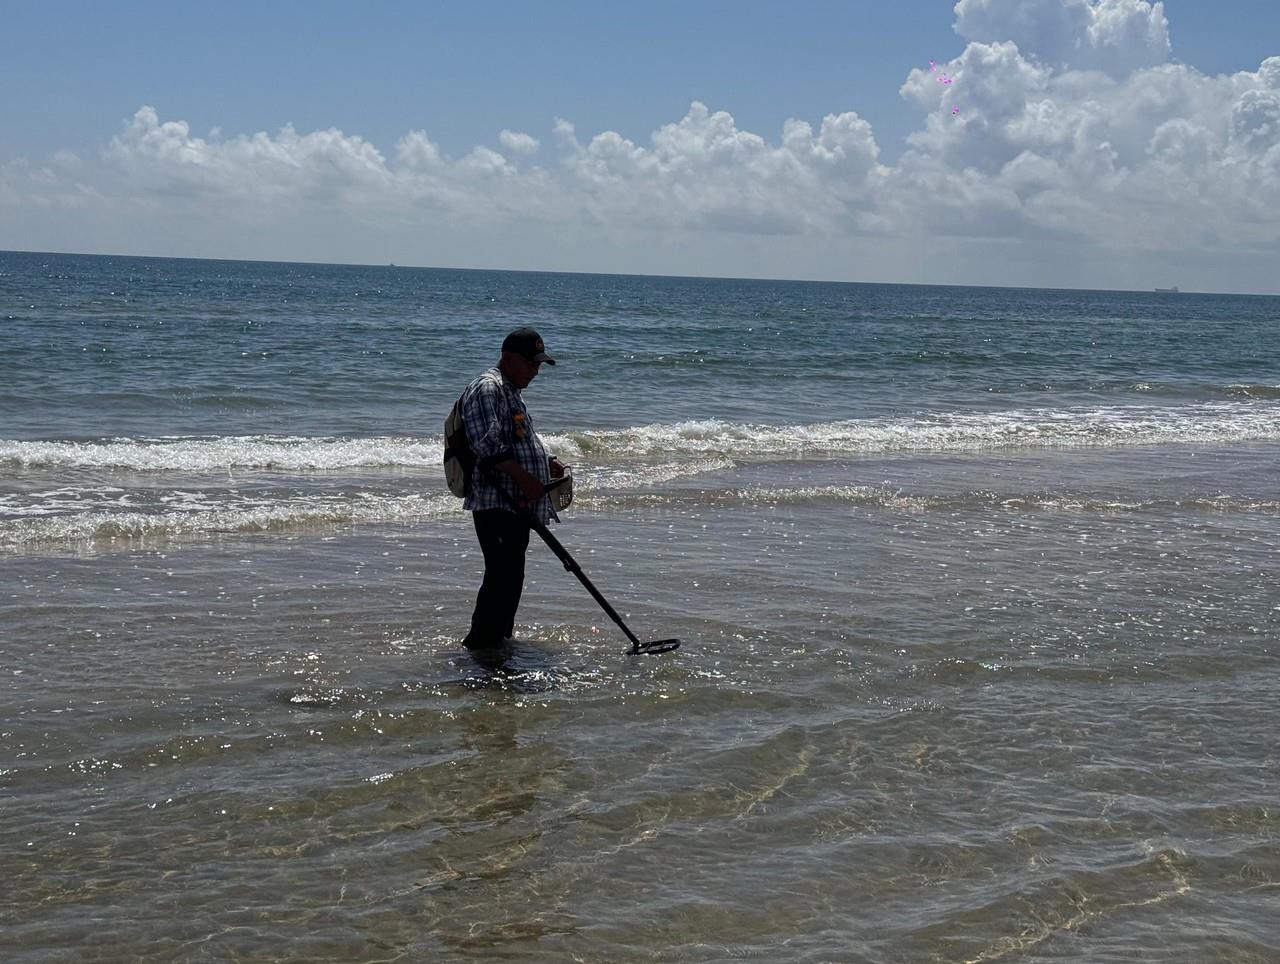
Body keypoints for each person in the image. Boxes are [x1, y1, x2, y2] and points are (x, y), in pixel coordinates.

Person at [459, 327, 568, 651]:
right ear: (508, 358)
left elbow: (520, 439)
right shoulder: (487, 388)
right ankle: (480, 648)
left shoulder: (511, 391)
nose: (535, 371)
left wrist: (547, 461)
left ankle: (499, 645)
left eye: (538, 365)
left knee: (511, 576)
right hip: (497, 502)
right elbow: (486, 444)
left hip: (518, 503)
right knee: (501, 578)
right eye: (531, 364)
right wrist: (524, 478)